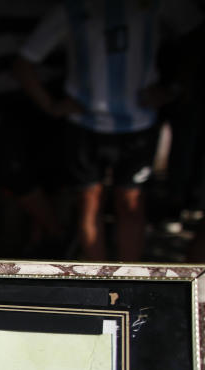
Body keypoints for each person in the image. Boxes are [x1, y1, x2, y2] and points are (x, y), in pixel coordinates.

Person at [14, 0, 203, 260]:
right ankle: (98, 288)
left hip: (139, 123)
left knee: (131, 204)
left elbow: (194, 34)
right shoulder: (72, 9)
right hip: (84, 124)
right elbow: (24, 61)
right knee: (90, 203)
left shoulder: (157, 4)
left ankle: (130, 285)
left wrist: (174, 89)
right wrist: (51, 105)